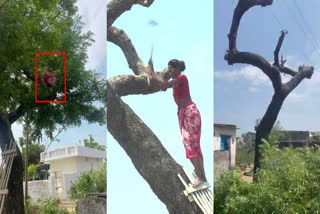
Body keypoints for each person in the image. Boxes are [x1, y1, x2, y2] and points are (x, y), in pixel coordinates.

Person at [152, 59, 207, 187]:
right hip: (183, 114)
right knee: (191, 144)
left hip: (189, 112)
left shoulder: (182, 78)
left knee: (190, 143)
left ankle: (200, 176)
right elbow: (163, 86)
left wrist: (153, 75)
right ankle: (201, 175)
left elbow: (167, 83)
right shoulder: (174, 83)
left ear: (177, 68)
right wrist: (153, 76)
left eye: (171, 69)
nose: (170, 72)